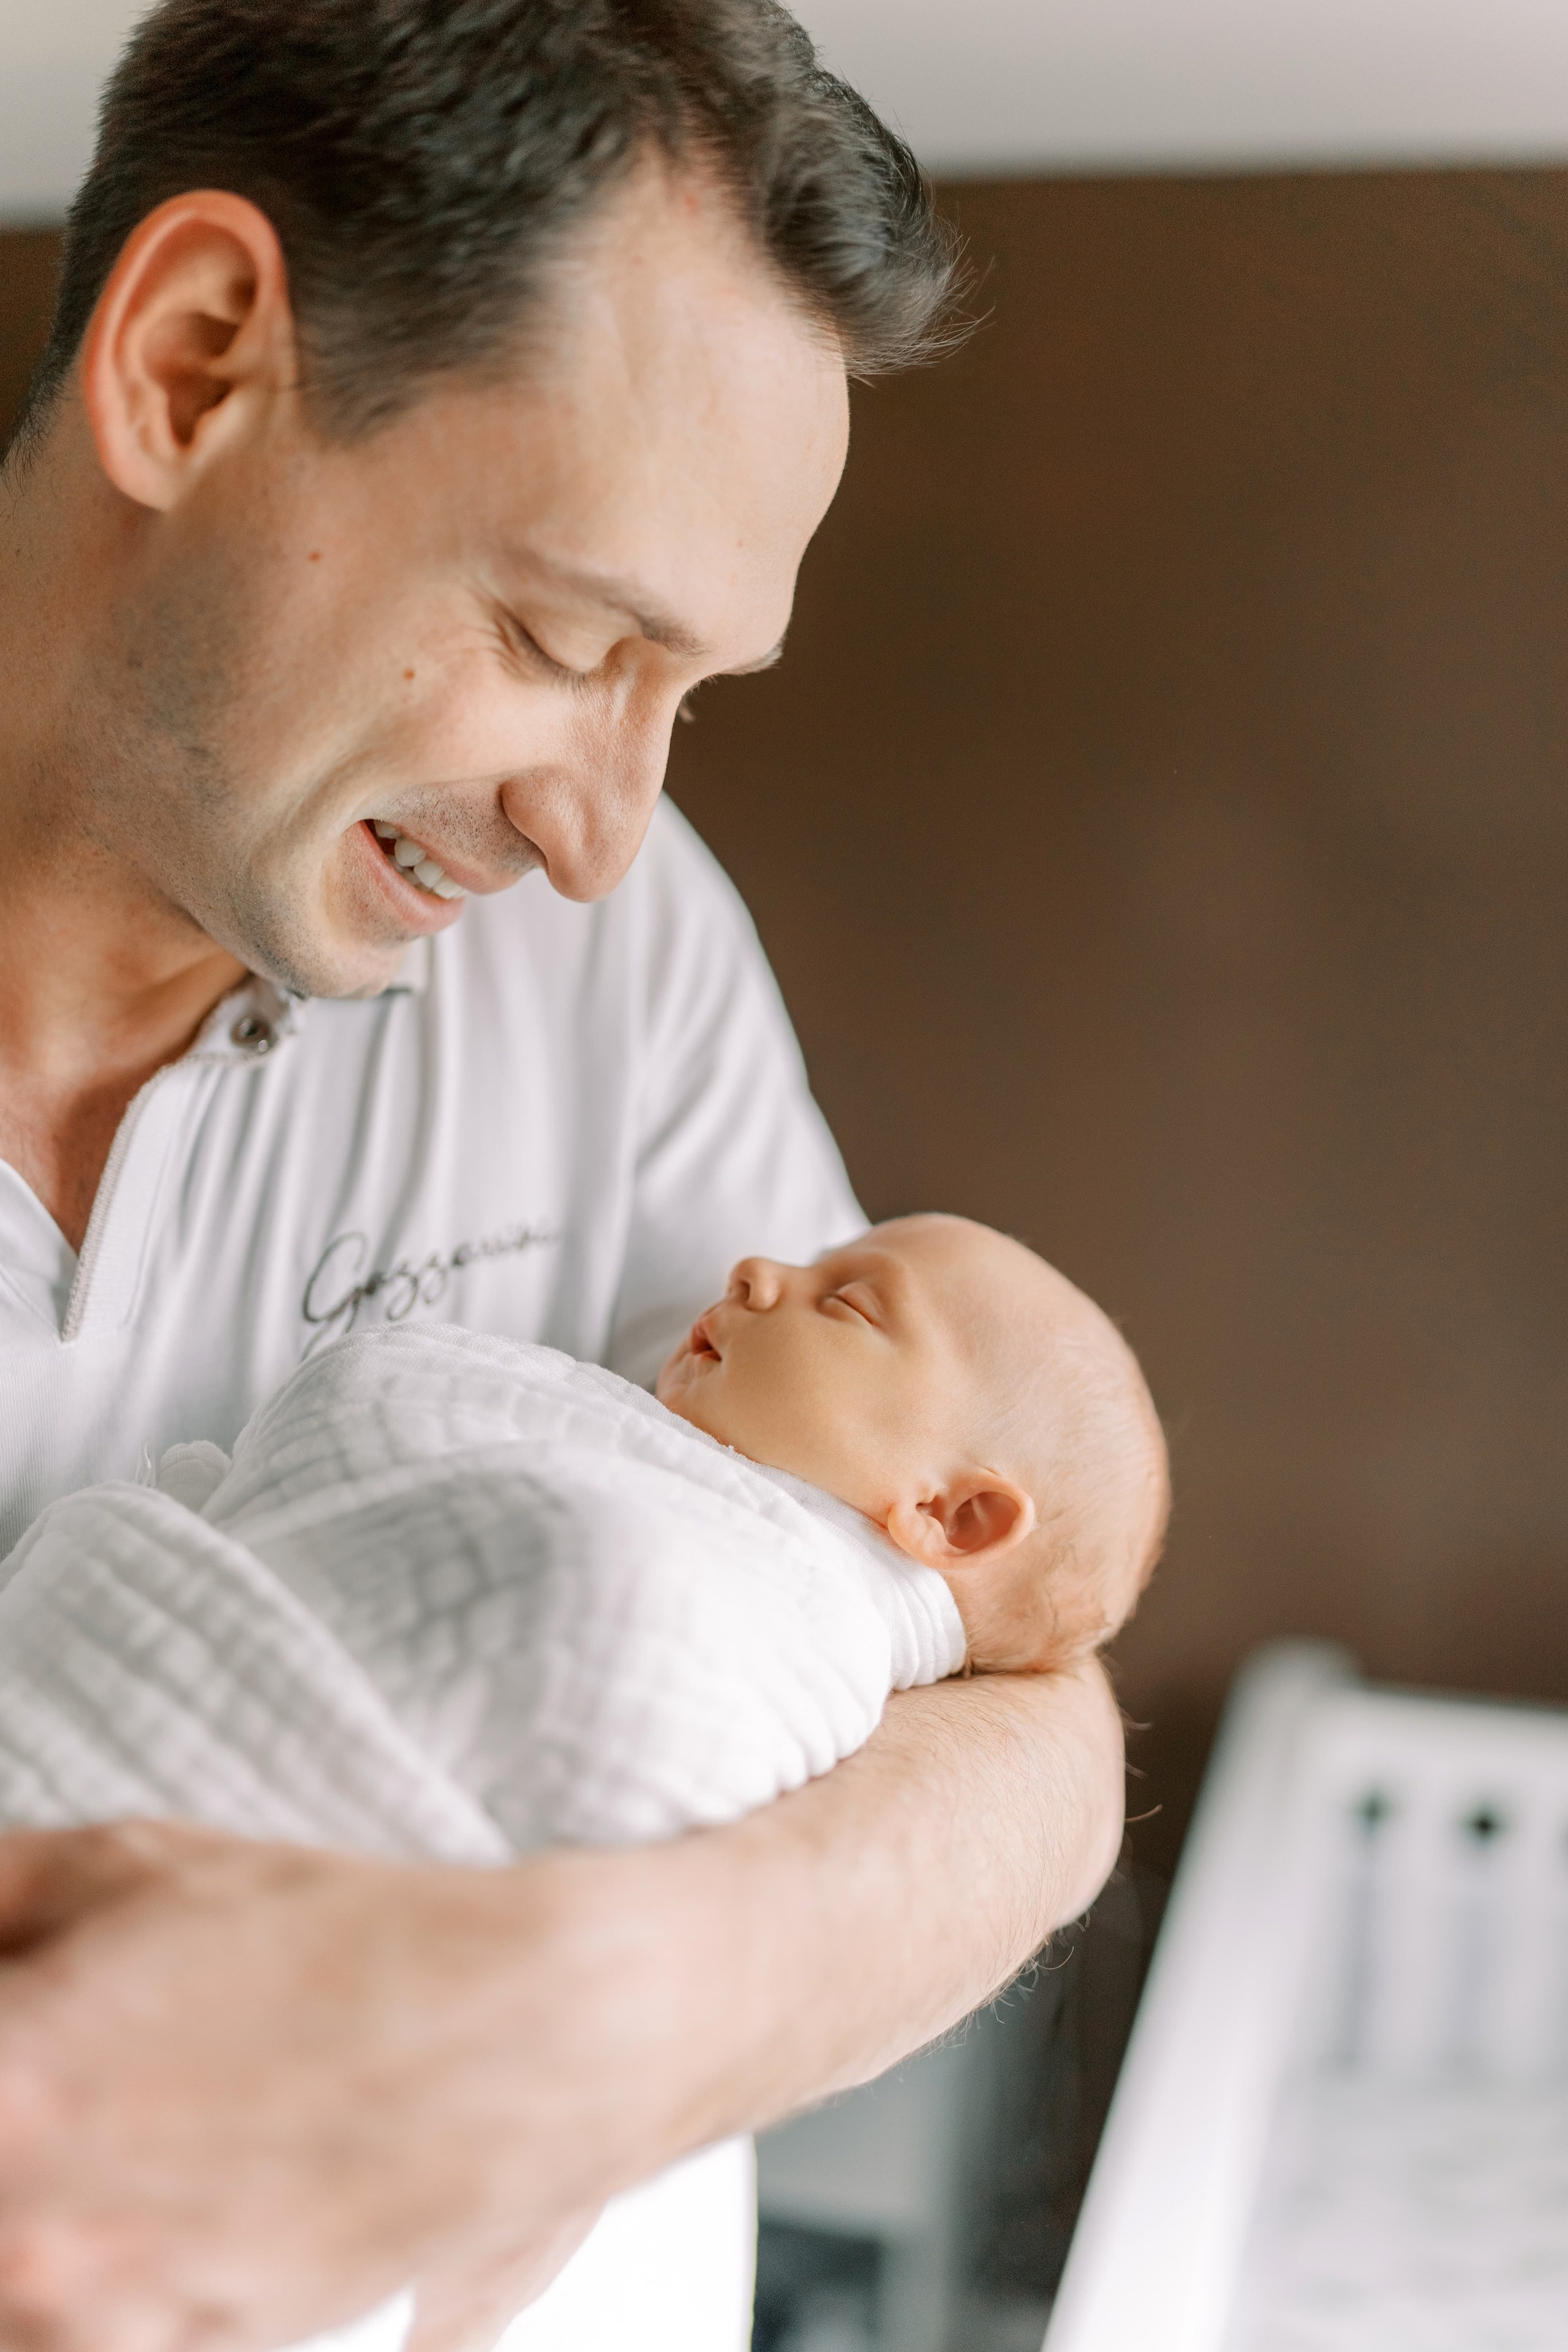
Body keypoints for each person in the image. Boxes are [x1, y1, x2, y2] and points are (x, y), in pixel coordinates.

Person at [0, 5, 1129, 2348]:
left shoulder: (588, 957)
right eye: (560, 638)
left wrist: (610, 2009)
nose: (602, 836)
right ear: (195, 366)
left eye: (685, 691)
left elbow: (1025, 1688)